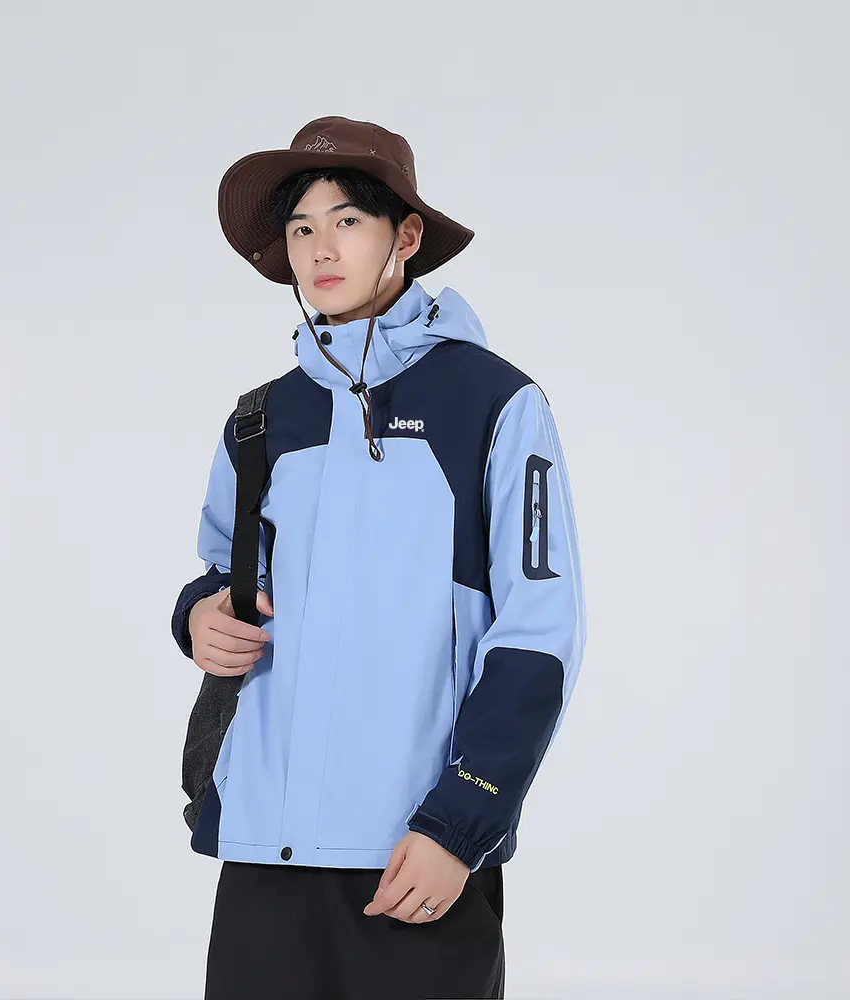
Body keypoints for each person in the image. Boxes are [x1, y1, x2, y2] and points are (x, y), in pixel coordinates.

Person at [170, 115, 587, 1000]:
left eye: (348, 220)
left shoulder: (495, 404)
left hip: (415, 855)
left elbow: (537, 635)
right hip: (264, 849)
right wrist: (199, 615)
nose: (320, 248)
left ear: (406, 236)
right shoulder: (260, 420)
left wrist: (460, 824)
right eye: (300, 228)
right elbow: (223, 573)